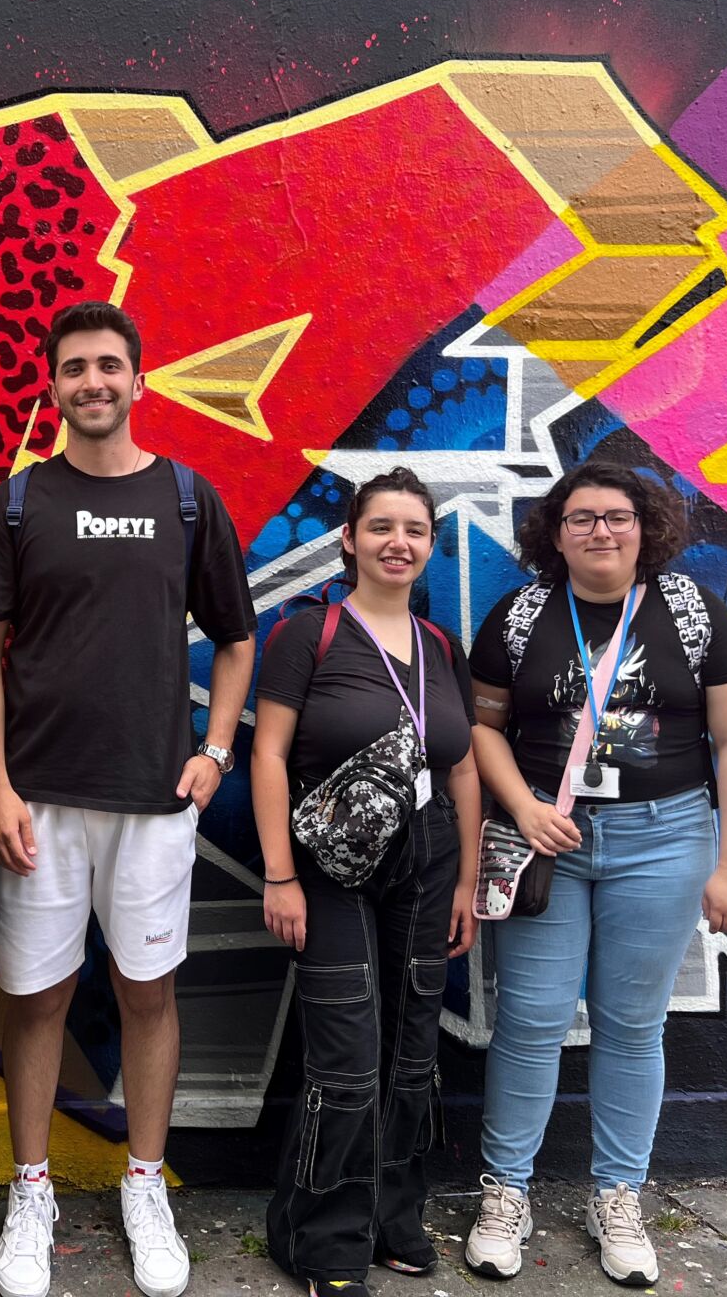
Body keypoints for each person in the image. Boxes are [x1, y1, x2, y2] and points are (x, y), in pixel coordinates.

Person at [0, 300, 257, 1297]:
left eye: (109, 366)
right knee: (35, 998)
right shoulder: (18, 504)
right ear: (54, 385)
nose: (93, 381)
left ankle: (142, 1185)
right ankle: (30, 1190)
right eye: (75, 367)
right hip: (37, 799)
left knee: (147, 992)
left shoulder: (184, 499)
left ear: (139, 379)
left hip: (154, 799)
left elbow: (238, 633)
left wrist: (215, 749)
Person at [461, 460, 727, 1288]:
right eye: (582, 517)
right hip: (546, 844)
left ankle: (618, 1193)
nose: (602, 530)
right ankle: (505, 1194)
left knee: (633, 1025)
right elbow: (482, 726)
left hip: (664, 842)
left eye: (618, 516)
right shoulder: (521, 616)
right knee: (530, 1022)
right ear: (554, 533)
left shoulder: (695, 614)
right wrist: (522, 807)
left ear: (646, 527)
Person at [252, 468, 482, 1295]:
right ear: (350, 539)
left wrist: (467, 880)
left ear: (429, 544)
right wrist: (280, 875)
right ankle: (321, 1238)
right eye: (381, 527)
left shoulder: (441, 648)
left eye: (415, 530)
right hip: (330, 872)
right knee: (346, 1062)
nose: (399, 543)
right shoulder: (307, 635)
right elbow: (269, 755)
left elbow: (458, 768)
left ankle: (393, 1218)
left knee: (412, 1054)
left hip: (428, 870)